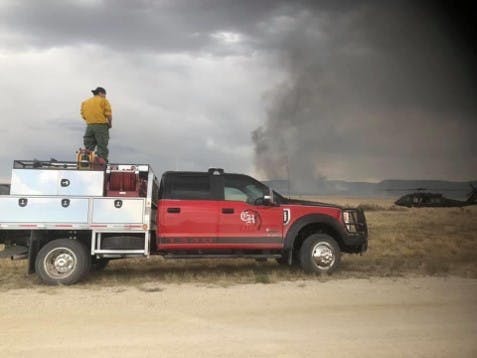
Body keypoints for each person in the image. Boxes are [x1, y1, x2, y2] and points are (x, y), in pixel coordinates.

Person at [80, 86, 112, 163]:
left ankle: (86, 160)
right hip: (101, 126)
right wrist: (110, 124)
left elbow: (83, 115)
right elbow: (108, 114)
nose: (105, 96)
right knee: (102, 145)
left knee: (88, 147)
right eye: (105, 94)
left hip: (89, 127)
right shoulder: (103, 101)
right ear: (101, 93)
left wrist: (91, 121)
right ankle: (101, 162)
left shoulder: (85, 102)